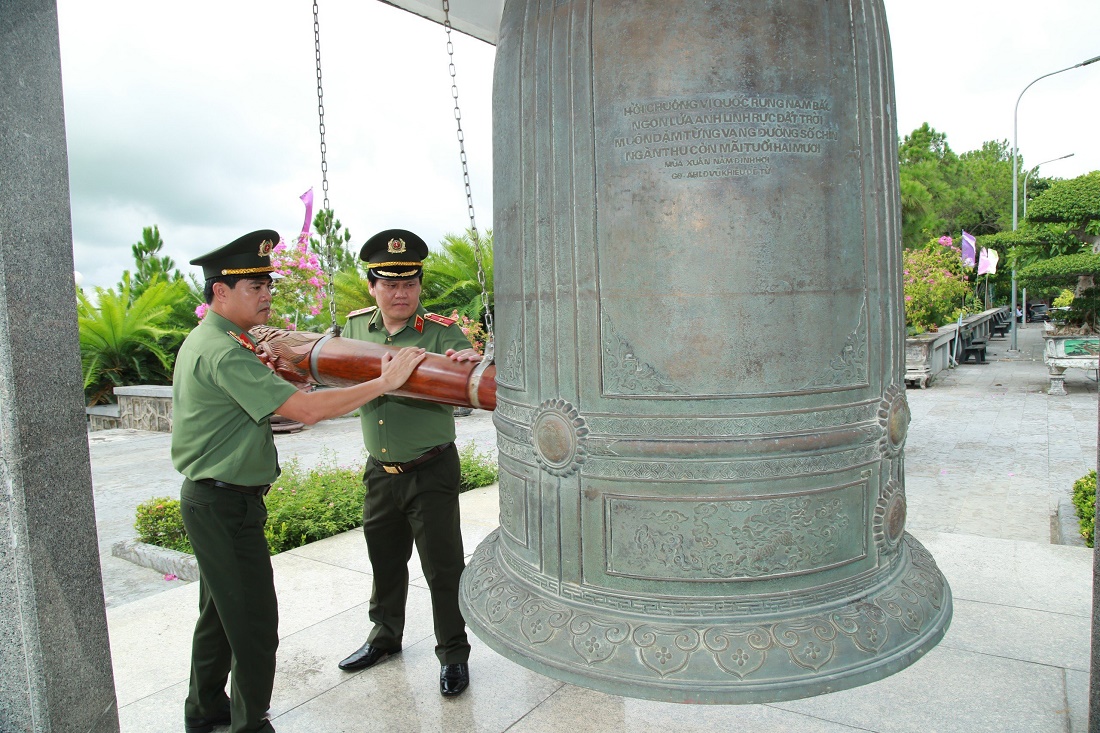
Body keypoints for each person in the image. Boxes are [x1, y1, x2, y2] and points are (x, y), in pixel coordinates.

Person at [173, 229, 426, 733]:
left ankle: (204, 712)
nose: (267, 294)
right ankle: (248, 725)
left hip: (214, 501)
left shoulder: (220, 341)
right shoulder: (224, 352)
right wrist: (384, 382)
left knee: (219, 617)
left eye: (267, 284)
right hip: (224, 507)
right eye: (254, 287)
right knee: (254, 627)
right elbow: (305, 411)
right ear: (220, 293)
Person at [336, 228, 482, 698]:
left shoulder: (442, 332)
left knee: (443, 567)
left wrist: (472, 361)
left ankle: (453, 654)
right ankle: (384, 638)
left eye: (410, 283)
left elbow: (477, 374)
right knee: (384, 560)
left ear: (419, 285)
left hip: (431, 468)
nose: (401, 293)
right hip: (380, 471)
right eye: (390, 284)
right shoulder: (355, 328)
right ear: (373, 287)